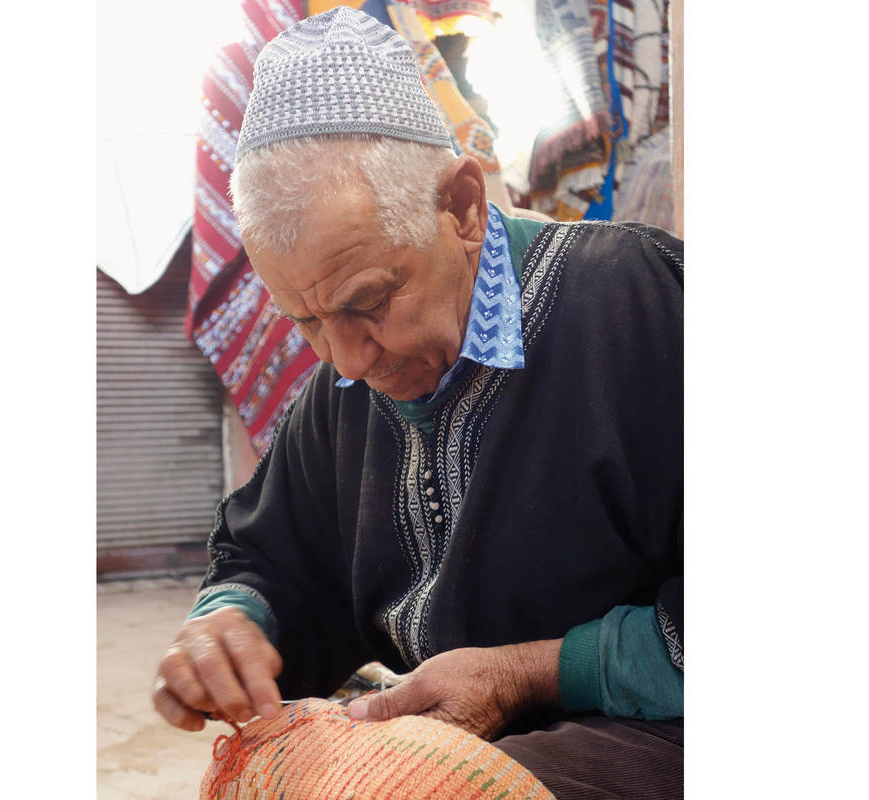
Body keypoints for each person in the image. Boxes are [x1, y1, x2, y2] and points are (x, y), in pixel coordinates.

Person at [153, 7, 683, 797]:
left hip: (654, 734)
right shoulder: (340, 389)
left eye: (369, 301)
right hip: (459, 740)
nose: (345, 359)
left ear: (464, 207)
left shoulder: (641, 307)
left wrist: (532, 673)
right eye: (305, 321)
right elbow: (272, 555)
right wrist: (232, 623)